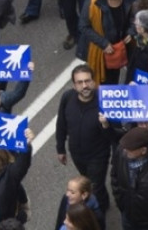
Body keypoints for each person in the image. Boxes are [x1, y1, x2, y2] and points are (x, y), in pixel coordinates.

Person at [56, 65, 113, 211]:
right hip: (77, 154)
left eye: (87, 81)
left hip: (98, 155)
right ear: (74, 85)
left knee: (95, 187)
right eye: (80, 82)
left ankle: (98, 215)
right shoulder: (67, 97)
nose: (84, 86)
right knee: (88, 182)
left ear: (94, 82)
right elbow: (61, 123)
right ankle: (103, 201)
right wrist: (60, 148)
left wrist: (106, 125)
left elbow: (114, 135)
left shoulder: (105, 102)